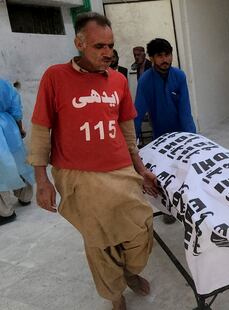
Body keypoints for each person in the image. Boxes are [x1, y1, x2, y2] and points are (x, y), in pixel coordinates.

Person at [28, 12, 158, 310]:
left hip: (121, 171)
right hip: (79, 176)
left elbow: (126, 130)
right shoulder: (55, 77)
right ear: (79, 43)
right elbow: (40, 129)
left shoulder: (117, 81)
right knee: (101, 242)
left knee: (140, 228)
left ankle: (129, 271)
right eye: (99, 46)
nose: (108, 52)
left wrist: (140, 169)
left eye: (110, 46)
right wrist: (41, 180)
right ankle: (114, 294)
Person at [134, 38, 196, 224]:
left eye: (167, 55)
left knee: (185, 172)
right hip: (160, 137)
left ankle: (189, 207)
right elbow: (137, 113)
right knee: (164, 175)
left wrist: (192, 140)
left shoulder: (179, 76)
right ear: (151, 58)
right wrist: (132, 144)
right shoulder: (145, 81)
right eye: (159, 56)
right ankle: (169, 208)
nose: (165, 59)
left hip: (182, 135)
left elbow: (185, 111)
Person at [0, 79, 34, 225]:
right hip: (8, 127)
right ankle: (25, 196)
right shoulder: (3, 84)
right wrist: (19, 129)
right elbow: (15, 108)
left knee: (1, 169)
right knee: (18, 162)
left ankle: (5, 211)